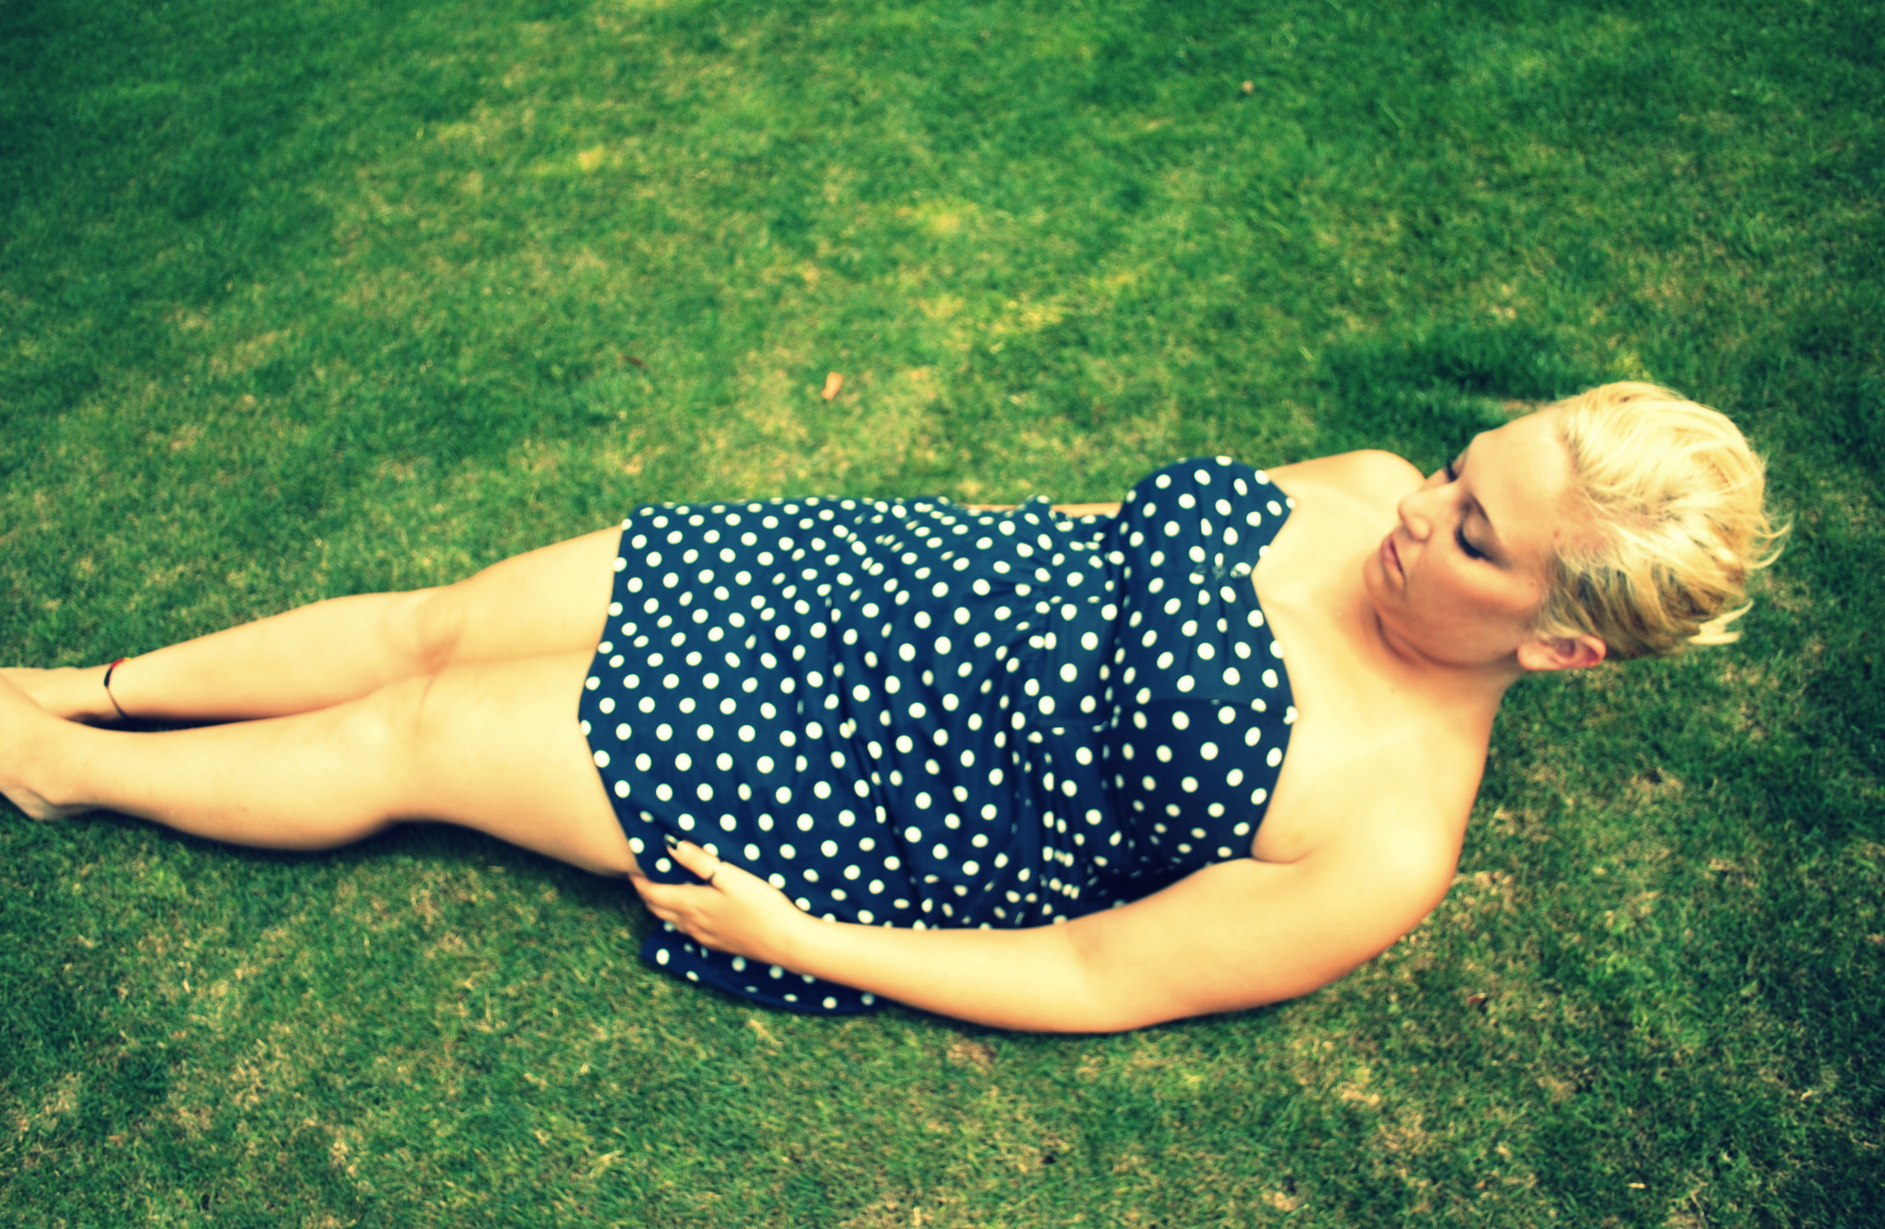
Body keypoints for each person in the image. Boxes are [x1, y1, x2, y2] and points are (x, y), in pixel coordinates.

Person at [0, 381, 1778, 1032]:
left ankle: (64, 774)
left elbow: (1097, 977)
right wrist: (915, 551)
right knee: (435, 621)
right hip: (870, 581)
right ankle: (84, 685)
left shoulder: (1386, 834)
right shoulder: (1372, 479)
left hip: (863, 792)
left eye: (1471, 534)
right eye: (1464, 466)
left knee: (418, 736)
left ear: (1560, 649)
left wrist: (803, 936)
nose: (1412, 508)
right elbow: (1098, 530)